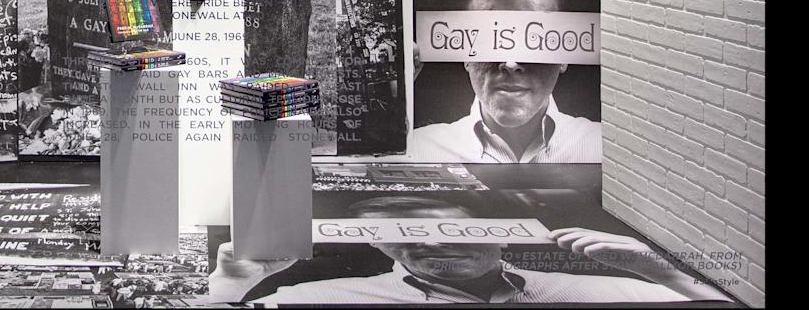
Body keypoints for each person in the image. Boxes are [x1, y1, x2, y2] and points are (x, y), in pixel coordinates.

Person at [207, 196, 726, 303]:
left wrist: (670, 276)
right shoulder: (323, 298)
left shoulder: (592, 291)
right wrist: (230, 287)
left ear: (501, 228)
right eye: (402, 233)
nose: (429, 243)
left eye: (451, 228)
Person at [411, 0, 602, 163]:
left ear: (564, 52)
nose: (510, 64)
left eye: (534, 38)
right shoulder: (417, 151)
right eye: (488, 37)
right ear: (463, 51)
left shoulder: (603, 149)